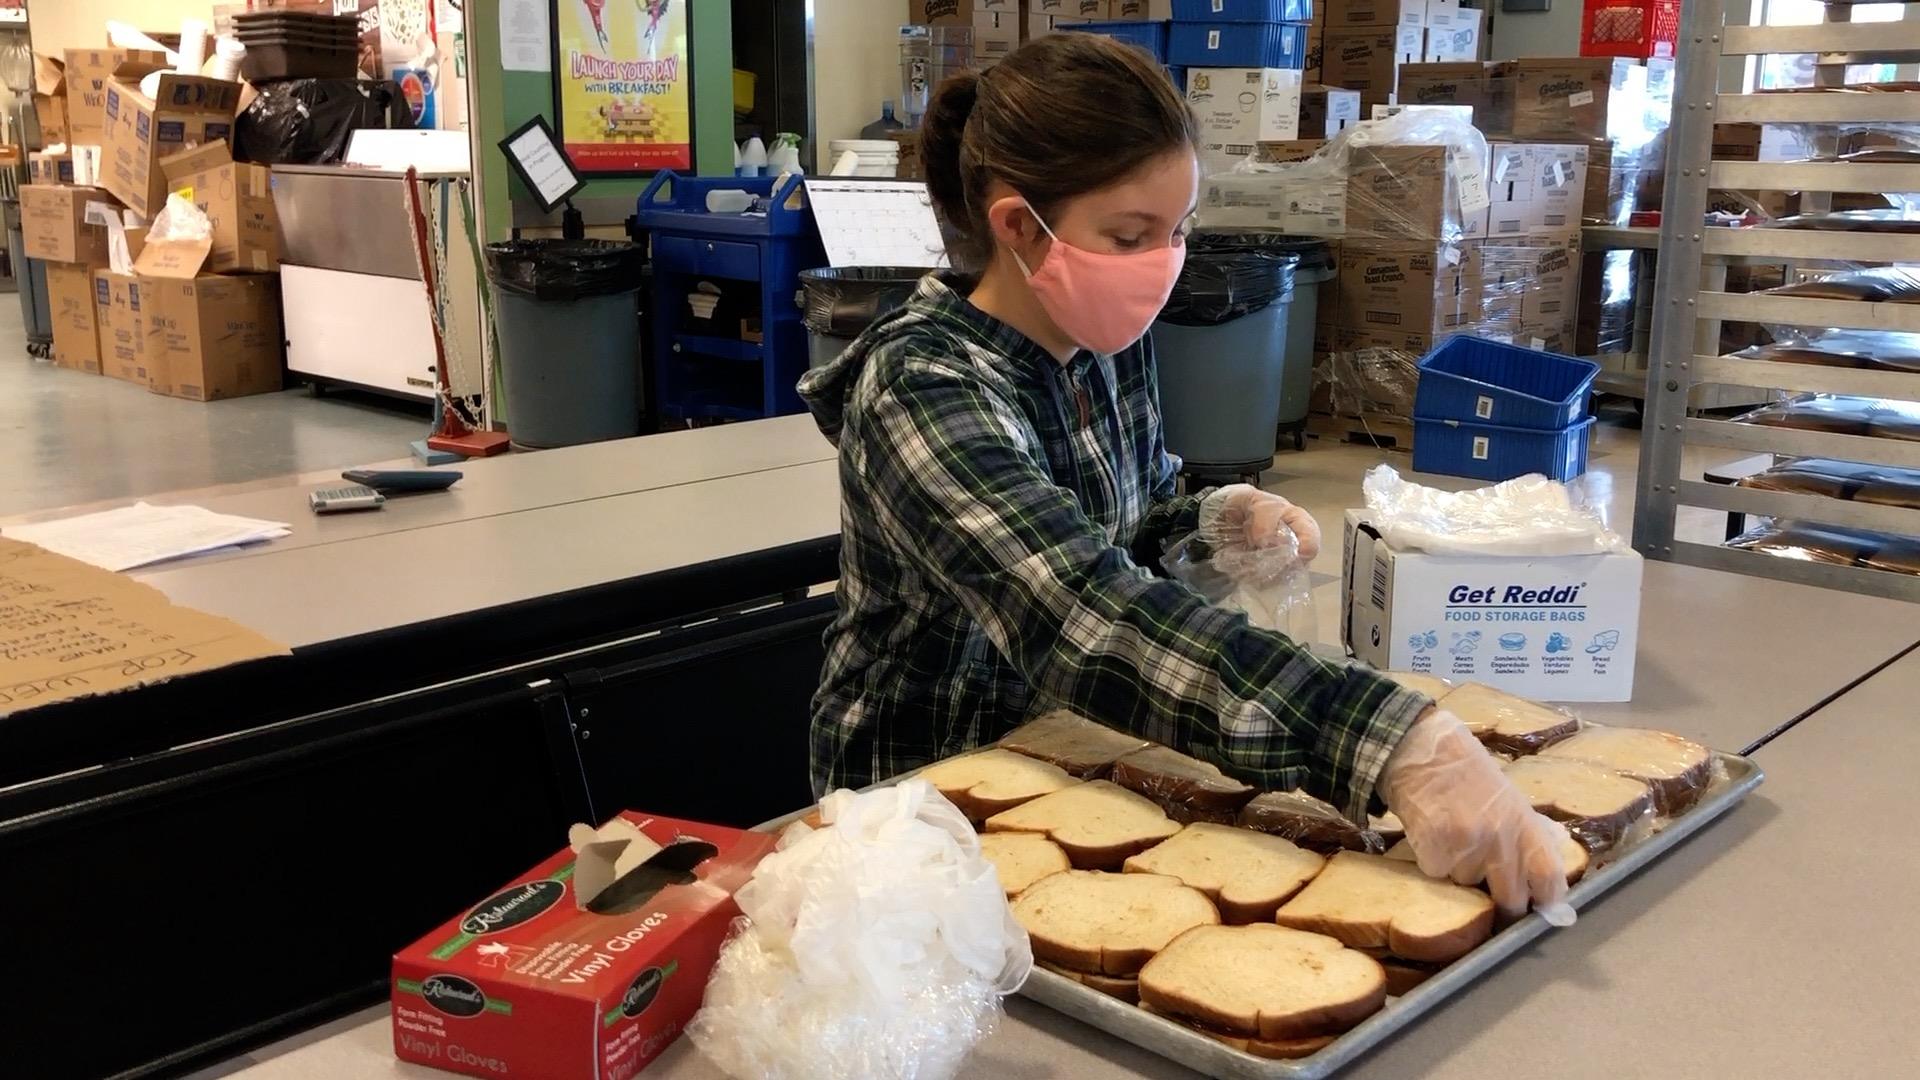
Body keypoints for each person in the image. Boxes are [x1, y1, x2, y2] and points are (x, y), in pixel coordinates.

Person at [797, 34, 1572, 923]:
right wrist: (1383, 740)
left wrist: (1210, 523)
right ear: (1018, 226)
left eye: (1176, 232)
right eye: (1130, 236)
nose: (1161, 264)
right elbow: (1081, 615)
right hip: (922, 797)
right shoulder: (922, 387)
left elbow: (1124, 525)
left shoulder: (1097, 346)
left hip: (1071, 751)